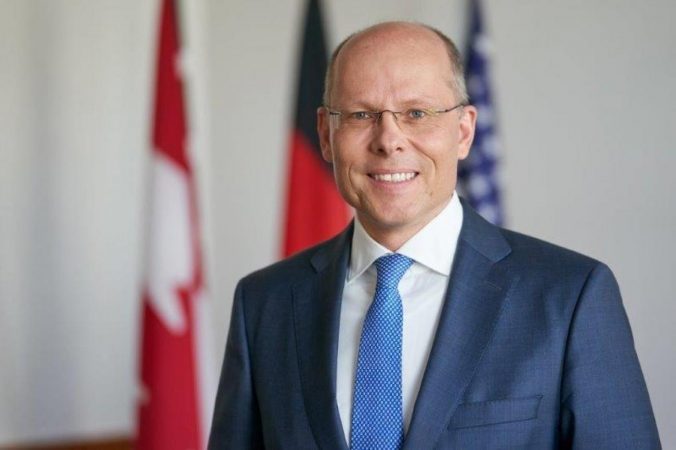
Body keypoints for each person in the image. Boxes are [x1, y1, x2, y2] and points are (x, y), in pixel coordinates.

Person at [208, 22, 660, 449]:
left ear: (463, 132)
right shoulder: (263, 304)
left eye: (417, 113)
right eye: (362, 114)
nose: (389, 140)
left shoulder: (570, 297)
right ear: (326, 135)